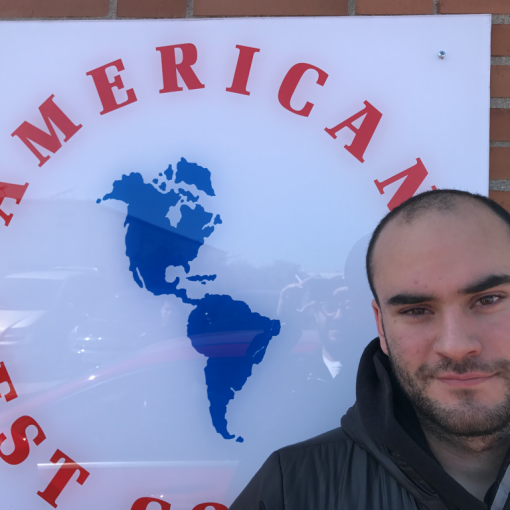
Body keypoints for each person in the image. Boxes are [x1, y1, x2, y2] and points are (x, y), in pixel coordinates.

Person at [229, 189, 510, 510]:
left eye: (488, 300)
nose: (455, 346)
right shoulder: (289, 491)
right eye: (416, 310)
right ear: (381, 327)